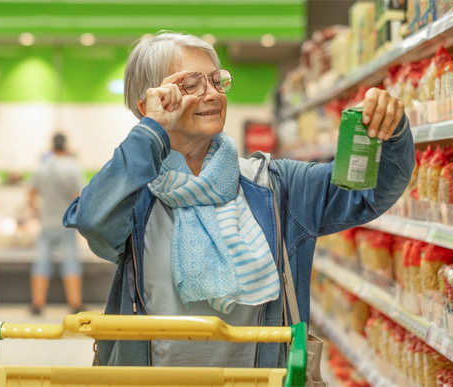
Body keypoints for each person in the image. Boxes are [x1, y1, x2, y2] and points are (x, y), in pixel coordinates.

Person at [63, 32, 414, 367]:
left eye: (216, 80)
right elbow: (92, 219)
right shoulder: (135, 198)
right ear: (151, 105)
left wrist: (391, 128)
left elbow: (370, 192)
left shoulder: (276, 186)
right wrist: (150, 132)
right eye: (191, 84)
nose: (213, 94)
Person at [30, 133, 85, 315]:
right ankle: (75, 304)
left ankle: (38, 305)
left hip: (46, 224)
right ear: (66, 146)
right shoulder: (73, 167)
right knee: (71, 264)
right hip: (66, 224)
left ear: (52, 146)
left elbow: (31, 196)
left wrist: (38, 214)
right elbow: (79, 197)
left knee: (41, 264)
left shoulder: (42, 167)